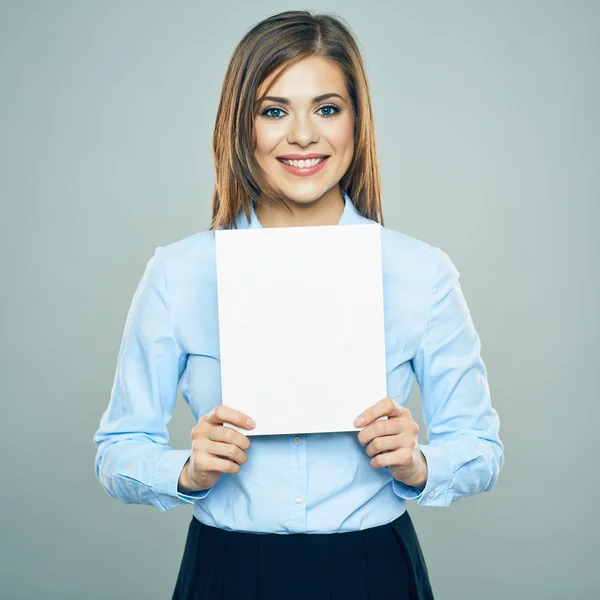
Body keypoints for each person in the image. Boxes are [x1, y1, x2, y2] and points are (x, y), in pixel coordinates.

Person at [93, 10, 504, 600]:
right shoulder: (179, 273)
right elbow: (118, 449)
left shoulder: (420, 272)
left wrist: (418, 466)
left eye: (328, 108)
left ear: (356, 124)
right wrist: (186, 470)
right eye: (274, 110)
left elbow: (480, 446)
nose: (304, 135)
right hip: (227, 569)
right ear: (243, 127)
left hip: (374, 567)